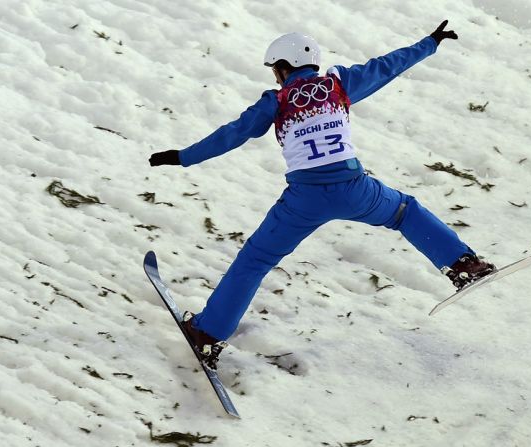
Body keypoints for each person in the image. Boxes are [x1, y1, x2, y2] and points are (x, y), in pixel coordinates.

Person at [149, 20, 495, 369]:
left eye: (275, 70)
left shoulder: (277, 101)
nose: (275, 77)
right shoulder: (338, 85)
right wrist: (430, 42)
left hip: (304, 200)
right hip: (356, 189)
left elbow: (233, 134)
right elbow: (388, 66)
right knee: (406, 212)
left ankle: (208, 334)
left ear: (284, 69)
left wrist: (183, 157)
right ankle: (464, 265)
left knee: (254, 261)